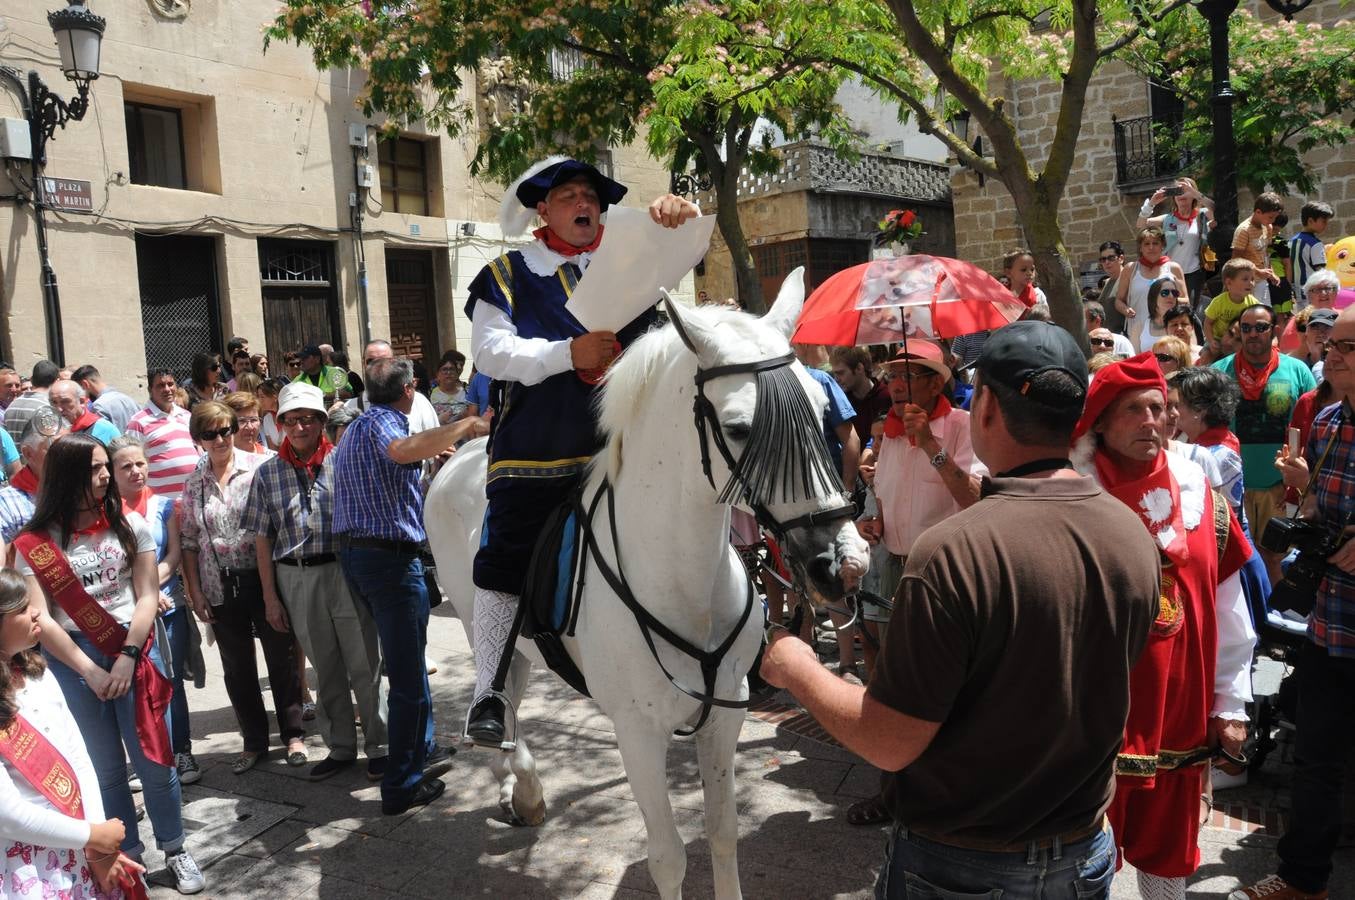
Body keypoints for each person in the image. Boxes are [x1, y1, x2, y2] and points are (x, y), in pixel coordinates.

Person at [761, 321, 1159, 898]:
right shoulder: (1130, 533)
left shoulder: (953, 554)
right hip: (1085, 851)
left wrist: (793, 663)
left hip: (963, 865)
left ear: (987, 406)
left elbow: (888, 742)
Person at [462, 157, 700, 745]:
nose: (582, 202)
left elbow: (682, 258)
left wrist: (681, 217)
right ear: (543, 210)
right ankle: (489, 687)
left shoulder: (628, 261)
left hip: (625, 446)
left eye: (589, 194)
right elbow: (491, 353)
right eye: (567, 195)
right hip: (538, 451)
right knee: (506, 548)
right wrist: (567, 355)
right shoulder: (508, 273)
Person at [1070, 354, 1255, 900]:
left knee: (1169, 861)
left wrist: (1231, 706)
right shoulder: (1068, 498)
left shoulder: (1206, 502)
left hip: (1179, 719)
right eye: (1133, 410)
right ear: (1099, 420)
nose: (1152, 421)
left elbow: (1231, 614)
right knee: (1080, 863)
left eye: (1160, 408)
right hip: (1091, 722)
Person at [16, 434, 205, 893]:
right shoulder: (34, 543)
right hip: (74, 663)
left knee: (154, 761)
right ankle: (129, 857)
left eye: (106, 467)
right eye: (96, 469)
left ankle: (176, 848)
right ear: (67, 476)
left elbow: (145, 596)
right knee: (103, 769)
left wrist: (125, 657)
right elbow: (41, 616)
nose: (105, 477)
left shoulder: (130, 524)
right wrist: (90, 669)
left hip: (133, 651)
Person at [1232, 306, 1355, 900]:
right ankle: (1304, 881)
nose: (1331, 353)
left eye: (1348, 348)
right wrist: (1303, 487)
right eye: (1332, 344)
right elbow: (1314, 514)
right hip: (1331, 620)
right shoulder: (1328, 420)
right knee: (1315, 756)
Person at [330, 357, 486, 814]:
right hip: (389, 563)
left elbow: (397, 460)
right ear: (411, 389)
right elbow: (400, 450)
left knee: (405, 670)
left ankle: (419, 754)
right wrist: (465, 427)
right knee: (408, 680)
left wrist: (427, 454)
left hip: (364, 557)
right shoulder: (383, 425)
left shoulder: (359, 426)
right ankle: (400, 786)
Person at [846, 341, 984, 828]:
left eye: (908, 374)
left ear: (936, 382)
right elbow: (883, 500)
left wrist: (931, 445)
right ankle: (894, 793)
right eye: (892, 375)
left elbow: (976, 501)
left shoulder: (962, 427)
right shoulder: (888, 432)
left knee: (936, 691)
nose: (896, 383)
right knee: (888, 687)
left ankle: (943, 793)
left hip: (942, 574)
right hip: (889, 568)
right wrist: (873, 522)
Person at [241, 382, 388, 783]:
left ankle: (380, 745)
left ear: (322, 422)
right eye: (292, 420)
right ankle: (340, 747)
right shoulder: (267, 473)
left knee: (364, 662)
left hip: (346, 570)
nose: (300, 427)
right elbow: (262, 536)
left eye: (308, 419)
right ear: (281, 423)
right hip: (296, 576)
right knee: (325, 666)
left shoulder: (345, 461)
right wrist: (271, 597)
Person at [0, 567, 147, 899]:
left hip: (78, 846)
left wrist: (99, 846)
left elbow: (78, 757)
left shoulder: (38, 674)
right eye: (22, 609)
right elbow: (8, 816)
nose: (37, 610)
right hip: (23, 867)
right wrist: (91, 835)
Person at [178, 401, 306, 775]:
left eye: (225, 430)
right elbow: (188, 541)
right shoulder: (194, 483)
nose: (219, 439)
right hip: (219, 584)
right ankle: (253, 742)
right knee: (237, 668)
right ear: (198, 440)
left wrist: (272, 594)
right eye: (210, 433)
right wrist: (195, 592)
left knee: (281, 658)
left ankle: (293, 734)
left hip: (263, 578)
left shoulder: (259, 470)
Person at [108, 433, 200, 788]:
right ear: (112, 473)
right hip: (128, 614)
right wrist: (144, 594)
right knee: (134, 685)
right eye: (126, 466)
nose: (136, 471)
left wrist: (155, 588)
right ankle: (145, 757)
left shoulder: (165, 506)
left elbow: (173, 555)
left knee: (172, 681)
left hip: (168, 606)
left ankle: (182, 750)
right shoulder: (107, 515)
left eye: (140, 463)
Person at [1213, 304, 1316, 584]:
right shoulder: (1219, 373)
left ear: (1275, 331)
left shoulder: (1298, 371)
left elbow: (1311, 428)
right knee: (1237, 561)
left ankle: (1280, 620)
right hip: (1233, 487)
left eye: (1260, 327)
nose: (1253, 334)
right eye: (1246, 328)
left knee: (1280, 561)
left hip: (1280, 487)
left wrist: (1297, 483)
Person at [1137, 178, 1214, 308]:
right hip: (1169, 273)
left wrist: (1194, 192)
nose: (1182, 194)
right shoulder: (1167, 219)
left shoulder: (1202, 215)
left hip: (1194, 273)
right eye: (1178, 191)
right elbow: (1141, 224)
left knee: (1190, 310)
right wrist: (1151, 203)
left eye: (1184, 190)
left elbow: (1215, 209)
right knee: (1169, 309)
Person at [125, 369, 200, 501]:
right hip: (161, 504)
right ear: (150, 390)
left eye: (170, 384)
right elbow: (130, 462)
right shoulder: (138, 422)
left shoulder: (187, 416)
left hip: (192, 500)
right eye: (160, 385)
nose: (167, 389)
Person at [1116, 228, 1188, 351]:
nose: (1151, 247)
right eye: (1147, 244)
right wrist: (1125, 309)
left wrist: (1168, 298)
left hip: (1168, 330)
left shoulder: (1173, 268)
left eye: (1155, 243)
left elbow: (1186, 301)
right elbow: (1118, 300)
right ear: (1140, 247)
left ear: (1162, 246)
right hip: (1137, 332)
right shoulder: (1131, 269)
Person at [830, 345, 893, 451]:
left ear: (859, 368)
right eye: (834, 374)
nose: (837, 379)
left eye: (841, 373)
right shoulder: (841, 400)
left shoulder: (886, 396)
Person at [1232, 191, 1285, 306]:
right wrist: (1257, 271)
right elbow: (1236, 259)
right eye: (1270, 217)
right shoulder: (1244, 230)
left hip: (1262, 280)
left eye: (1275, 217)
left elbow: (1265, 253)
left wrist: (1272, 273)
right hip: (1246, 282)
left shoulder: (1268, 227)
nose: (1273, 221)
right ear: (1258, 212)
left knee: (1265, 314)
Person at [1204, 258, 1264, 358]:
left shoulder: (1252, 303)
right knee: (1206, 356)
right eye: (1245, 279)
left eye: (1252, 279)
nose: (1251, 283)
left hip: (1239, 341)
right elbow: (1207, 323)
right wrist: (1211, 341)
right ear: (1229, 282)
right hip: (1217, 339)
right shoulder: (1219, 302)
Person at [1280, 270, 1340, 354]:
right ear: (1308, 295)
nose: (1323, 293)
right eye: (1316, 290)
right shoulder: (1299, 321)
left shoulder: (1343, 318)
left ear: (1336, 292)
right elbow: (1287, 356)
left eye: (1328, 288)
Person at [1289, 200, 1334, 310]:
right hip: (1312, 293)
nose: (1326, 225)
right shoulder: (1315, 244)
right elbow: (1320, 271)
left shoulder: (1292, 241)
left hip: (1296, 292)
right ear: (1310, 220)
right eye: (1323, 221)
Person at [48, 379, 120, 446]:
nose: (59, 409)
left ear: (82, 401)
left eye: (65, 401)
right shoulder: (53, 430)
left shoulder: (104, 429)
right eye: (54, 402)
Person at [71, 365, 141, 433]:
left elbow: (99, 437)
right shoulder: (129, 399)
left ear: (85, 384)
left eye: (78, 390)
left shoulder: (99, 406)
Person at [4, 361, 60, 445]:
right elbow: (51, 442)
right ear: (57, 381)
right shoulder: (48, 407)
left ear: (32, 380)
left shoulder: (11, 406)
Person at [1138, 278, 1185, 354]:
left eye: (1174, 293)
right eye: (1165, 293)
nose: (1171, 296)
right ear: (1154, 297)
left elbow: (1191, 352)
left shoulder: (1184, 324)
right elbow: (1134, 358)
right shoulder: (1140, 326)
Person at [1096, 240, 1129, 334]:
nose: (1106, 262)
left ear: (1121, 258)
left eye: (1111, 258)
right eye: (1103, 259)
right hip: (1109, 338)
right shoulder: (1107, 282)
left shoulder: (1129, 279)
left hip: (1124, 337)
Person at [429, 350, 469, 424]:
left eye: (452, 369)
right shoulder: (429, 393)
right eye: (444, 369)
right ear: (437, 374)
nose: (448, 373)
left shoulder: (467, 391)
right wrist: (439, 420)